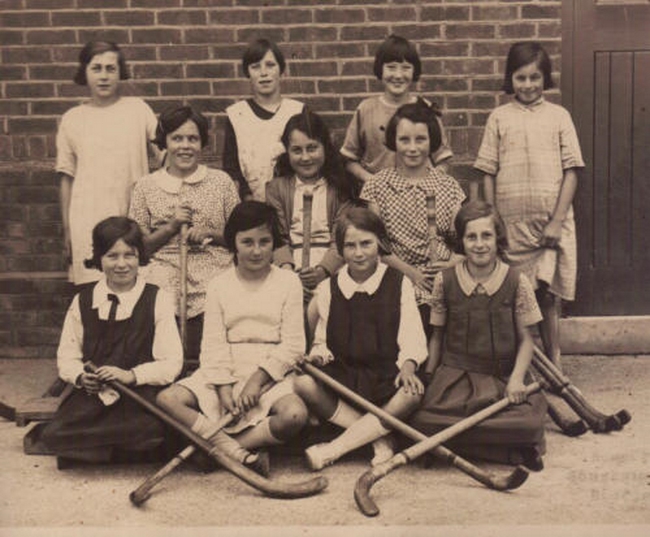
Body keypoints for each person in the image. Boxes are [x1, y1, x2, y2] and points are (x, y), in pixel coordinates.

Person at [156, 201, 308, 475]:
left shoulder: (289, 282)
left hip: (270, 371)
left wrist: (256, 380)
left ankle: (223, 451)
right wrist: (224, 387)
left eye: (264, 241)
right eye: (247, 242)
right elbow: (213, 344)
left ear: (274, 243)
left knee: (294, 415)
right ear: (233, 243)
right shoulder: (219, 285)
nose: (257, 250)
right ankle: (237, 454)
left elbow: (294, 346)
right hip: (226, 367)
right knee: (167, 399)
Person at [410, 201, 547, 469]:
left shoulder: (516, 281)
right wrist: (428, 377)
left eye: (487, 236)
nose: (479, 244)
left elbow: (528, 340)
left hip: (502, 376)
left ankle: (453, 449)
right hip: (455, 377)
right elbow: (437, 337)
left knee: (529, 423)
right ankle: (507, 455)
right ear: (461, 241)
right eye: (471, 237)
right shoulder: (445, 280)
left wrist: (517, 380)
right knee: (419, 422)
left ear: (498, 239)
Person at [473, 41, 585, 369]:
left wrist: (556, 220)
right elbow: (487, 173)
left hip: (549, 223)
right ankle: (523, 364)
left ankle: (554, 363)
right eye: (520, 78)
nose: (528, 85)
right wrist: (494, 221)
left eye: (535, 77)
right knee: (516, 296)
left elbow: (573, 171)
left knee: (548, 296)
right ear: (511, 79)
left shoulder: (559, 116)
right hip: (511, 226)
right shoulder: (498, 117)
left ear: (545, 78)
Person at [40, 217, 183, 468]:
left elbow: (171, 363)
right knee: (54, 434)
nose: (121, 264)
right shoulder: (83, 301)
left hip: (138, 395)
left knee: (152, 429)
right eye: (111, 256)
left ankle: (96, 451)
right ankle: (125, 452)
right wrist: (81, 377)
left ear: (140, 258)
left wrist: (130, 375)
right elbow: (68, 356)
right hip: (93, 397)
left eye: (129, 255)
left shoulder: (156, 299)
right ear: (98, 258)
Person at [294, 207, 427, 470]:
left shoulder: (398, 282)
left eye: (366, 243)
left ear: (380, 242)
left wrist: (410, 366)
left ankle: (334, 449)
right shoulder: (328, 288)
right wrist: (317, 357)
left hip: (385, 373)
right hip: (346, 374)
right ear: (340, 251)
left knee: (411, 394)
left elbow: (412, 335)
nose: (359, 253)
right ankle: (378, 439)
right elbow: (323, 341)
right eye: (350, 246)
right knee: (303, 384)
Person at [129, 106, 239, 364]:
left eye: (193, 138)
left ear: (202, 143)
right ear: (165, 142)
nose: (185, 146)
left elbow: (241, 237)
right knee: (157, 303)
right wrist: (169, 228)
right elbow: (139, 249)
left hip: (213, 268)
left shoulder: (221, 182)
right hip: (163, 269)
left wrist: (211, 233)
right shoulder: (146, 187)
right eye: (177, 138)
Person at [57, 41, 159, 285]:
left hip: (131, 216)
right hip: (88, 219)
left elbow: (165, 155)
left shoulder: (138, 110)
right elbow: (66, 177)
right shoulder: (72, 119)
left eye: (111, 69)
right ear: (85, 72)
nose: (104, 76)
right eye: (97, 68)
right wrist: (68, 230)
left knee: (136, 289)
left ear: (120, 72)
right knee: (95, 294)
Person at [360, 101, 465, 336]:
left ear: (432, 141)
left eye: (420, 140)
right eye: (404, 140)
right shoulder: (378, 185)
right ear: (394, 141)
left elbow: (461, 241)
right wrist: (411, 273)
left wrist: (449, 265)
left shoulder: (447, 185)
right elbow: (377, 244)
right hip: (397, 271)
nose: (412, 148)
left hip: (442, 272)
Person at [266, 110, 358, 297]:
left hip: (333, 265)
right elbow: (277, 236)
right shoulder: (276, 188)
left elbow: (341, 238)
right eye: (297, 150)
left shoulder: (340, 187)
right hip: (288, 267)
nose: (305, 157)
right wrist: (289, 272)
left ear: (325, 147)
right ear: (287, 151)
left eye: (312, 148)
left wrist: (322, 272)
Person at [341, 34, 453, 184]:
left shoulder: (425, 108)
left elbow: (443, 159)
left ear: (414, 71)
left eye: (406, 68)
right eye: (391, 67)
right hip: (378, 195)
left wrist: (430, 181)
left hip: (420, 194)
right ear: (380, 70)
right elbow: (349, 160)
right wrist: (372, 181)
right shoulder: (366, 109)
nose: (398, 75)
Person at [223, 38, 304, 201]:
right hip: (252, 204)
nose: (263, 73)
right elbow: (231, 169)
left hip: (294, 201)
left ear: (281, 70)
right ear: (248, 73)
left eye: (270, 65)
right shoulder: (237, 115)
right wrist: (247, 197)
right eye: (255, 67)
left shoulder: (297, 111)